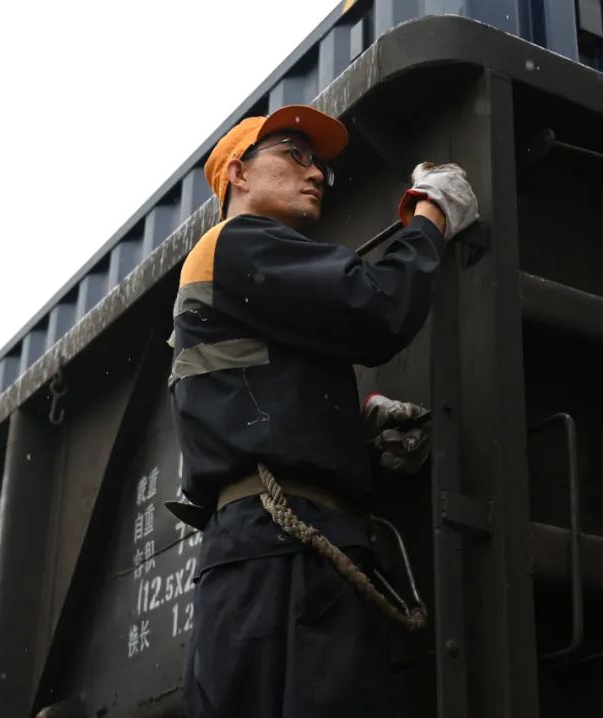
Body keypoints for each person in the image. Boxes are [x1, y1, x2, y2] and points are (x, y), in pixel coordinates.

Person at [167, 104, 478, 718]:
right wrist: (431, 216)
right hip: (281, 551)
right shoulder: (240, 242)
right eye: (294, 154)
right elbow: (376, 308)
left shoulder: (240, 272)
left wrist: (351, 436)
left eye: (322, 167)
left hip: (264, 550)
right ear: (238, 173)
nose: (316, 174)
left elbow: (248, 397)